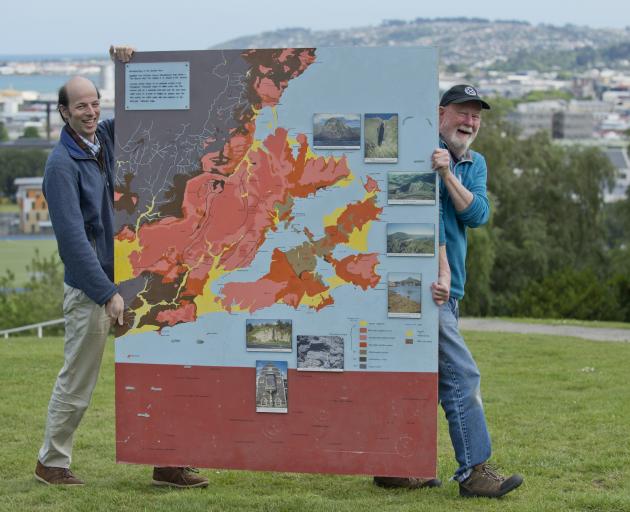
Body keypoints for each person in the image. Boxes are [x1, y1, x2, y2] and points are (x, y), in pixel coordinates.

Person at [34, 46, 208, 489]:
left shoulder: (105, 140)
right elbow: (74, 243)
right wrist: (107, 294)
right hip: (94, 290)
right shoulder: (60, 166)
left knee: (161, 371)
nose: (91, 111)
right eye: (80, 105)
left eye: (95, 102)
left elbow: (146, 113)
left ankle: (166, 461)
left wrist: (130, 65)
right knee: (78, 380)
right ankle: (51, 463)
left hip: (132, 282)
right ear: (63, 113)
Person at [375, 85, 523, 498]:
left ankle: (393, 466)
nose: (470, 122)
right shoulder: (421, 150)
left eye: (476, 116)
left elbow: (476, 213)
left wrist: (446, 174)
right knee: (462, 374)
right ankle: (475, 471)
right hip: (425, 289)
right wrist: (438, 272)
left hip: (448, 290)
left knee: (414, 377)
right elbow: (429, 216)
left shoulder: (473, 162)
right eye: (463, 112)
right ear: (441, 113)